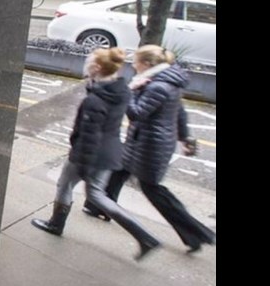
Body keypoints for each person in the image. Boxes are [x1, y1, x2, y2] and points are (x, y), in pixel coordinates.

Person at [81, 45, 216, 253]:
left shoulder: (157, 86)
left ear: (146, 64)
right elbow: (179, 113)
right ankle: (99, 206)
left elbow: (136, 113)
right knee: (118, 171)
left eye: (136, 61)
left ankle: (196, 234)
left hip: (150, 145)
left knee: (153, 190)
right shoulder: (166, 81)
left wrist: (130, 91)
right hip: (143, 141)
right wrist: (185, 137)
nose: (133, 65)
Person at [31, 47, 161, 260]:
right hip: (109, 153)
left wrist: (82, 164)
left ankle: (56, 224)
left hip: (89, 154)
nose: (86, 64)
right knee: (97, 195)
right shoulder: (120, 90)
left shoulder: (95, 101)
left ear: (97, 67)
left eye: (89, 61)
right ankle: (144, 236)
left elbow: (89, 136)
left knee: (65, 185)